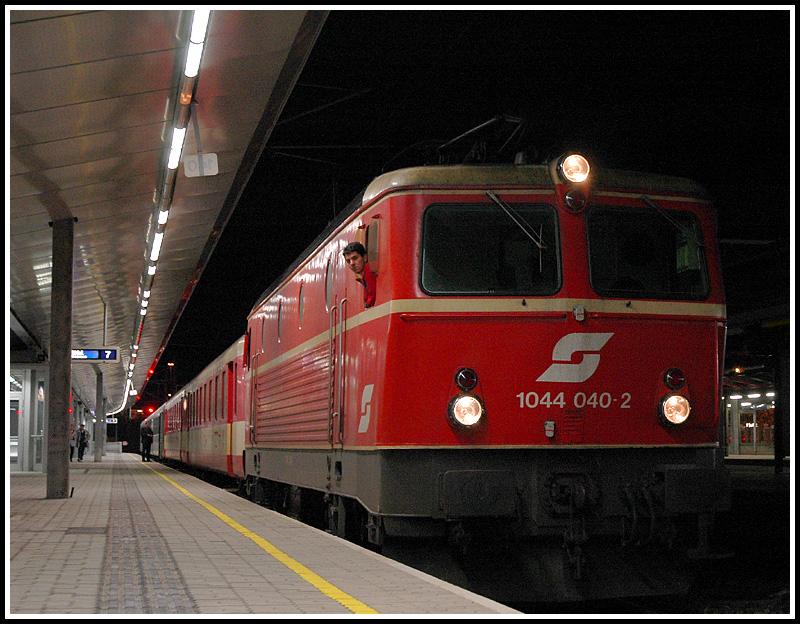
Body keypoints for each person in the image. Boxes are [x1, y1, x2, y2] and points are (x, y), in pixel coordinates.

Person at [342, 242, 377, 308]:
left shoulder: (369, 271)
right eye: (348, 261)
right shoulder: (364, 276)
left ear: (365, 257)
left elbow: (372, 298)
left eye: (355, 258)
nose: (352, 263)